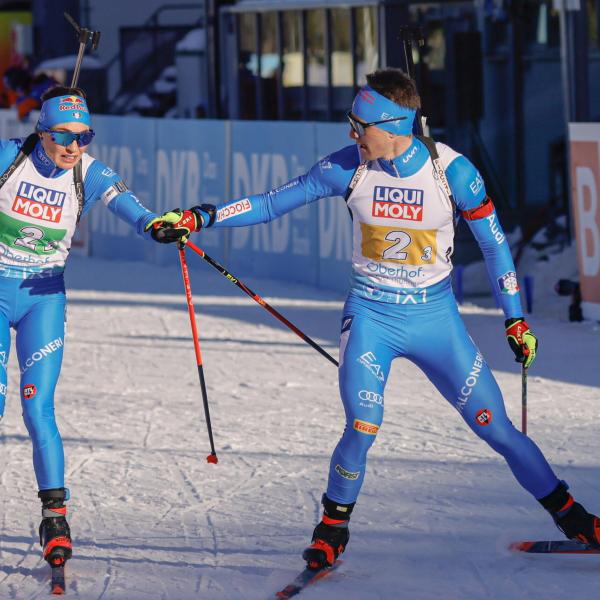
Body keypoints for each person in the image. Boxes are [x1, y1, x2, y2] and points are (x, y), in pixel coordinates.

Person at [152, 68, 600, 567]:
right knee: (363, 424)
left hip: (437, 322)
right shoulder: (348, 168)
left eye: (358, 125)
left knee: (496, 428)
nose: (351, 134)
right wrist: (201, 216)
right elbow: (272, 202)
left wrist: (514, 320)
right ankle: (331, 530)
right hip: (372, 317)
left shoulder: (452, 172)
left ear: (392, 127)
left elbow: (496, 248)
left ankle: (578, 521)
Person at [0, 85, 181, 569]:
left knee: (38, 408)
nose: (74, 146)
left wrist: (153, 225)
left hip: (43, 298)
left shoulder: (88, 172)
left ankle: (55, 519)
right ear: (42, 131)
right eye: (64, 135)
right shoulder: (8, 159)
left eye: (84, 137)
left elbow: (130, 206)